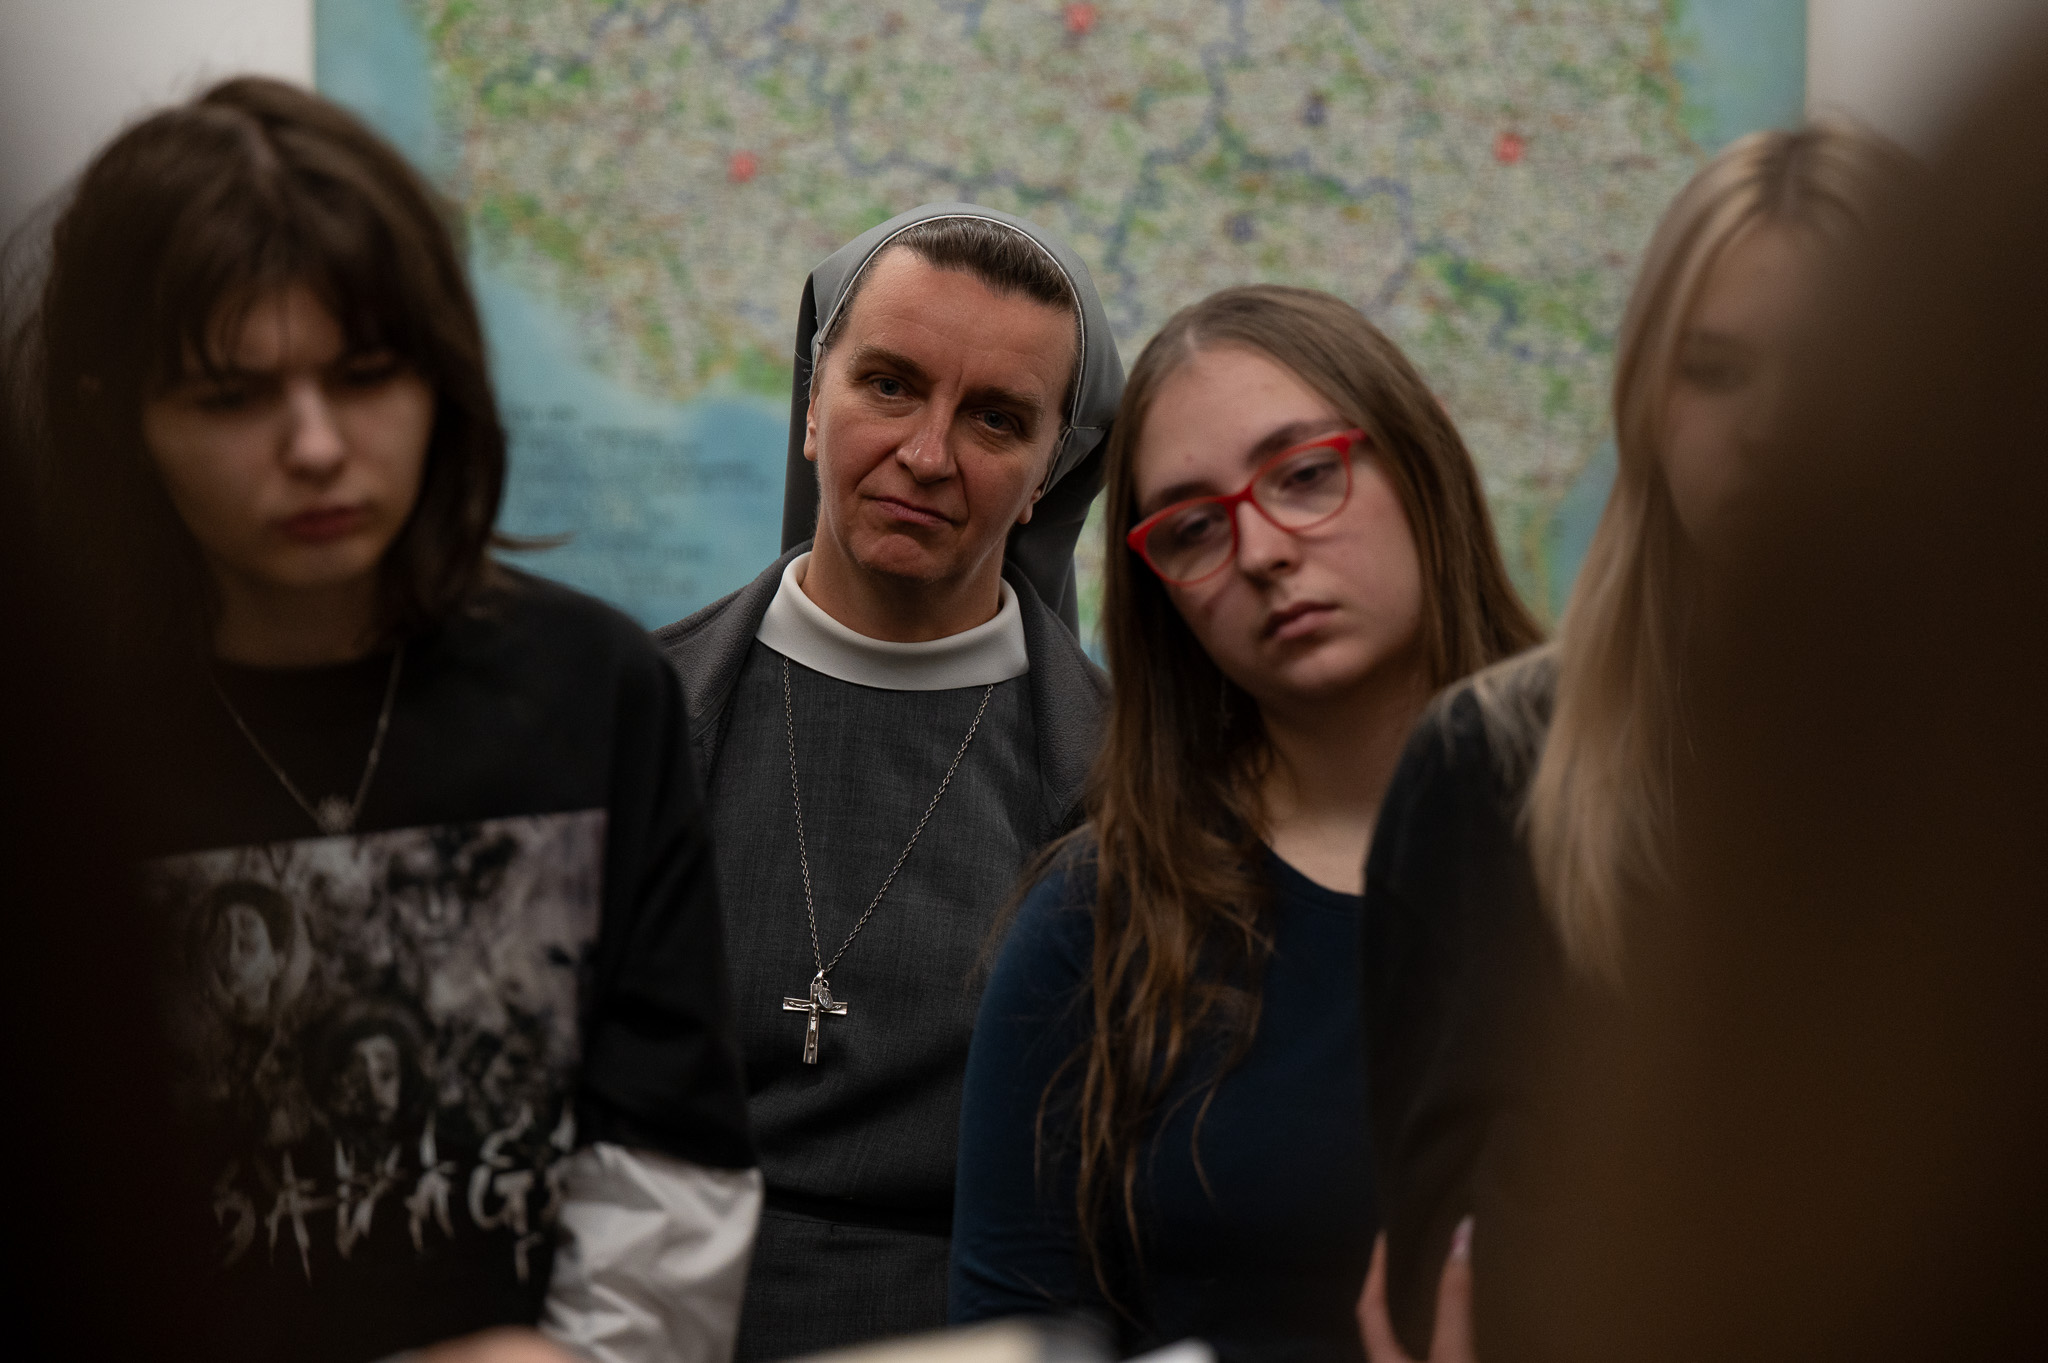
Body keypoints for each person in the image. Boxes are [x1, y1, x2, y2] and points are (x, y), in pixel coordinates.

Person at [24, 77, 758, 1363]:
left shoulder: (593, 685)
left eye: (364, 376)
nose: (315, 446)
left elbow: (669, 1147)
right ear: (117, 414)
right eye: (231, 395)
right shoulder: (59, 735)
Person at [1354, 122, 1913, 1362]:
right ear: (1644, 398)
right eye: (1712, 369)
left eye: (1833, 364)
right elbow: (1441, 1277)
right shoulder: (1490, 766)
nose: (1771, 425)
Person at [949, 284, 1542, 1361]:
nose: (1262, 550)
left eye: (1305, 474)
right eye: (1192, 528)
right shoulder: (1095, 920)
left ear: (1418, 460)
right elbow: (1014, 1337)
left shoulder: (1644, 837)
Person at [653, 202, 1123, 1359]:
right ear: (813, 404)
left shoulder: (1127, 780)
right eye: (890, 385)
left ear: (1049, 472)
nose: (926, 454)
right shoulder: (638, 717)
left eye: (996, 418)